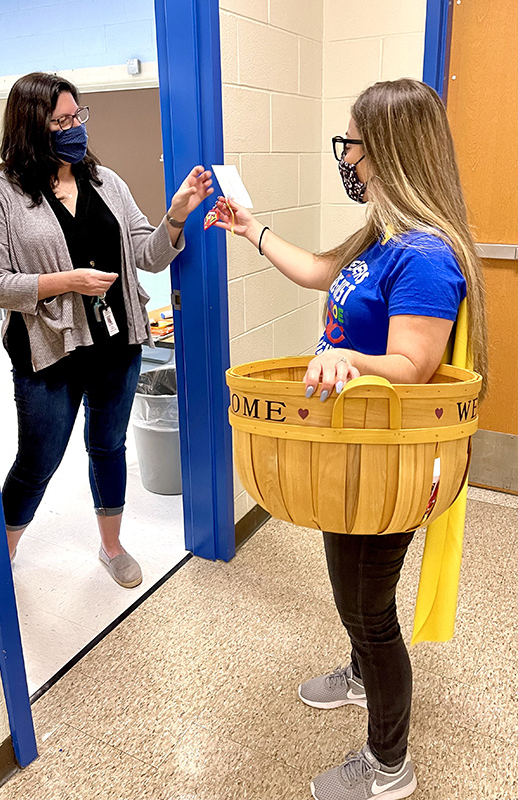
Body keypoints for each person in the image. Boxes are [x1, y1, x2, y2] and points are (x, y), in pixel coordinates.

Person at [213, 78, 487, 800]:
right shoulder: (380, 237)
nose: (346, 157)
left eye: (353, 144)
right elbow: (317, 272)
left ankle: (388, 766)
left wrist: (349, 359)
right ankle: (362, 677)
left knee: (368, 607)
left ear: (388, 151)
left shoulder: (424, 255)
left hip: (389, 460)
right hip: (352, 449)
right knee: (352, 587)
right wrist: (250, 228)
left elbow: (411, 365)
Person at [0, 72, 213, 588]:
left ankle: (111, 546)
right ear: (29, 126)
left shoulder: (105, 181)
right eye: (59, 120)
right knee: (38, 461)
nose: (73, 128)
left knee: (108, 446)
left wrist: (175, 216)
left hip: (116, 343)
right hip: (49, 352)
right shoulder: (1, 191)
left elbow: (146, 252)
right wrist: (67, 282)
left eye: (77, 116)